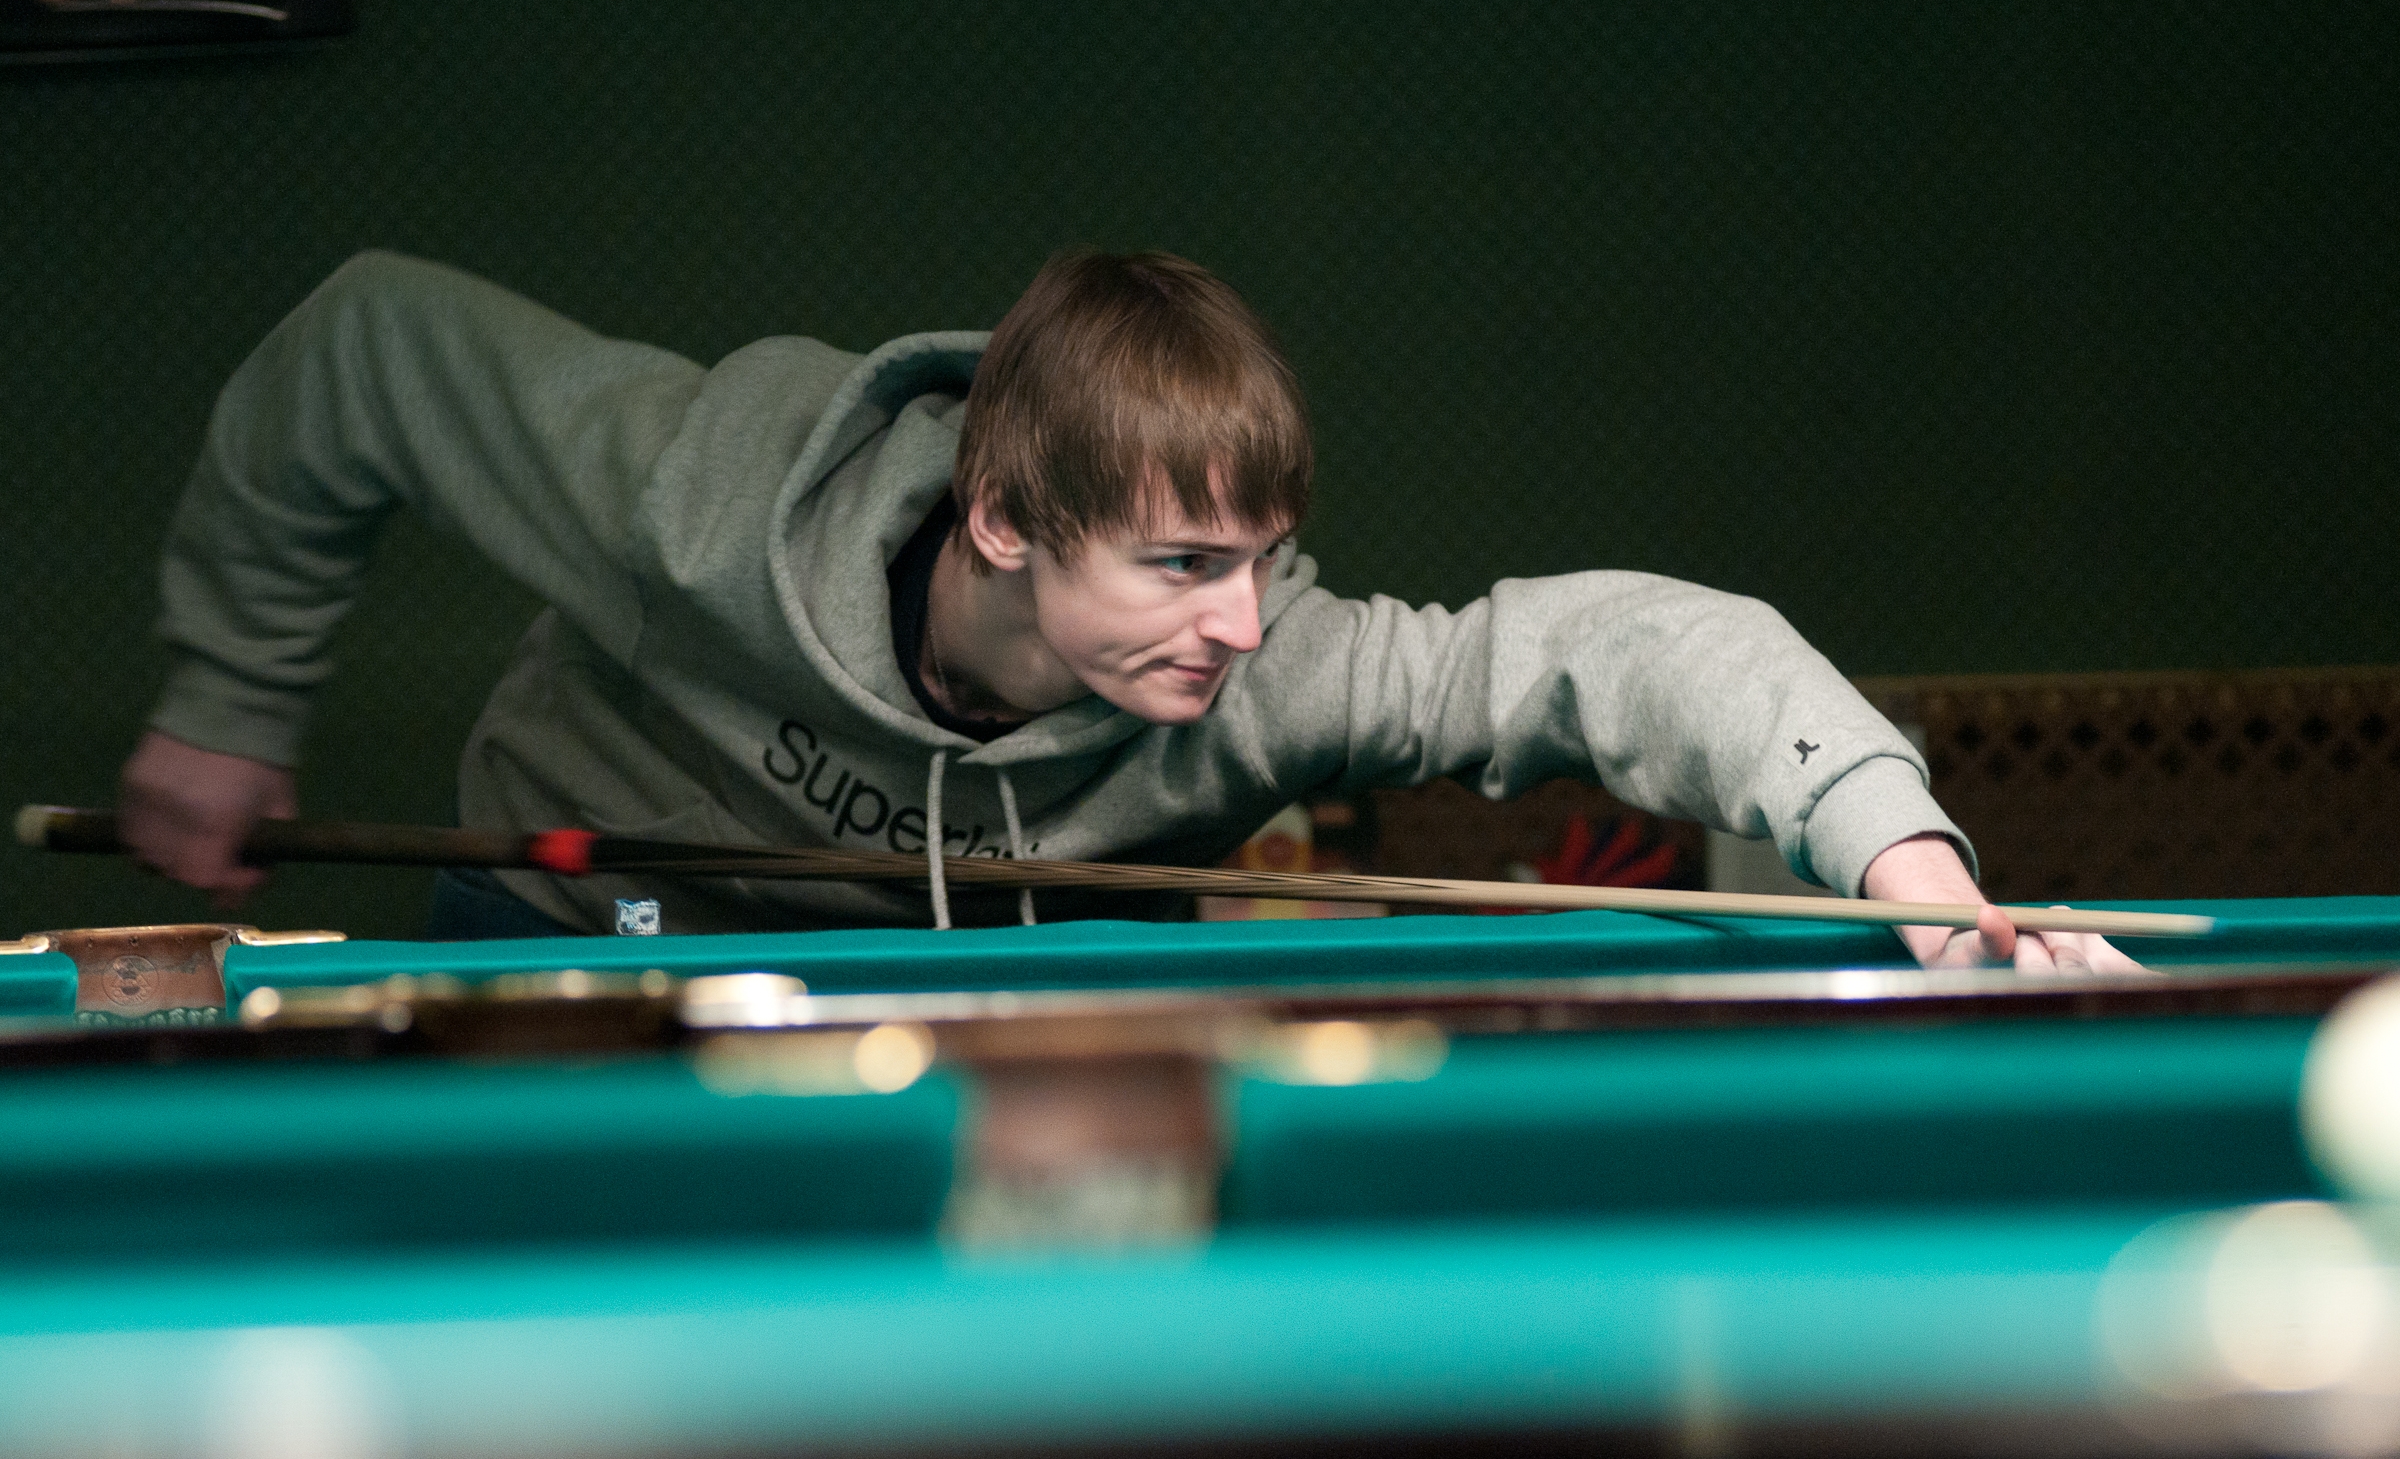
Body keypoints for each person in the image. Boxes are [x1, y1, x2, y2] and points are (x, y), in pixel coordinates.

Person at [119, 248, 2133, 971]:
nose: (1246, 623)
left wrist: (1913, 868)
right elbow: (363, 344)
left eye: (1262, 555)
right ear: (1006, 518)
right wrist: (227, 699)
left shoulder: (1266, 667)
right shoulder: (700, 497)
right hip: (578, 953)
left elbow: (1629, 645)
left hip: (1004, 1010)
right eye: (1182, 565)